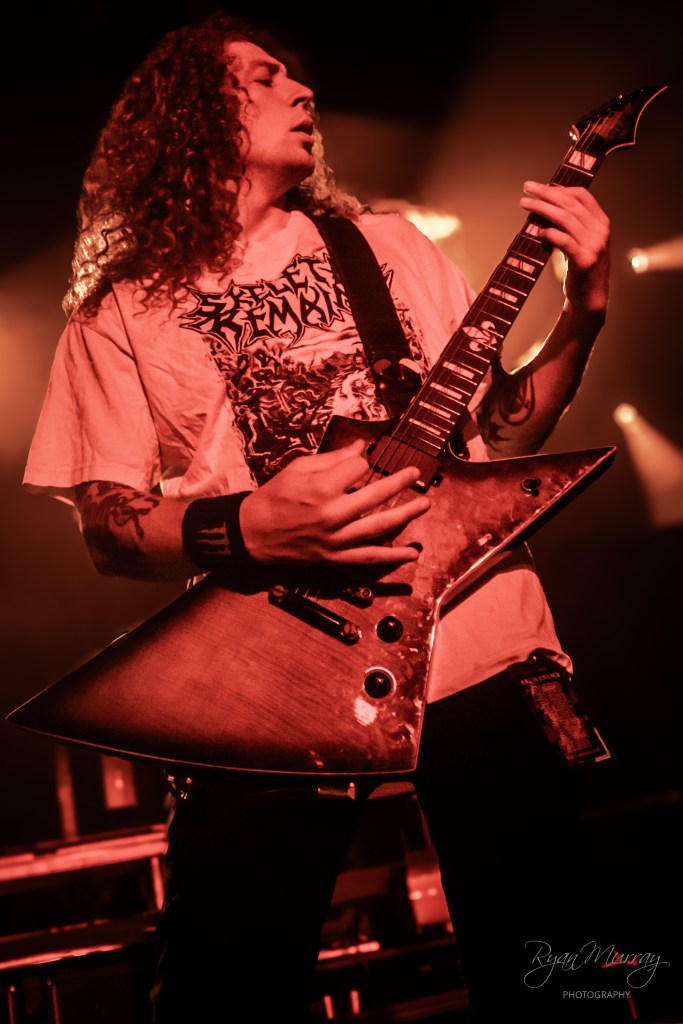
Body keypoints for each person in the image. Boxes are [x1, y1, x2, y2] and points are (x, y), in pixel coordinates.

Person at [21, 10, 633, 1024]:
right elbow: (108, 527)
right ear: (188, 114)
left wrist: (585, 308)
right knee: (223, 989)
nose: (301, 90)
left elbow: (500, 433)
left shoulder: (388, 244)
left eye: (295, 76)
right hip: (269, 676)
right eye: (263, 77)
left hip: (478, 647)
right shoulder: (120, 310)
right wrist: (250, 528)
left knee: (553, 976)